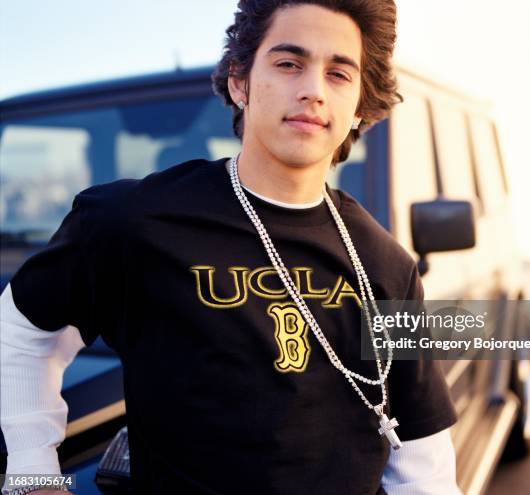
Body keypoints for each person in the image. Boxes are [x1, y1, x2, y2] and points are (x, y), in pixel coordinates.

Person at [0, 1, 462, 493]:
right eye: (289, 64)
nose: (312, 90)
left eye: (339, 74)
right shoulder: (136, 222)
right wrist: (31, 476)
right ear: (239, 82)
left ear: (360, 105)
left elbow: (421, 457)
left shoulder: (386, 264)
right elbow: (23, 329)